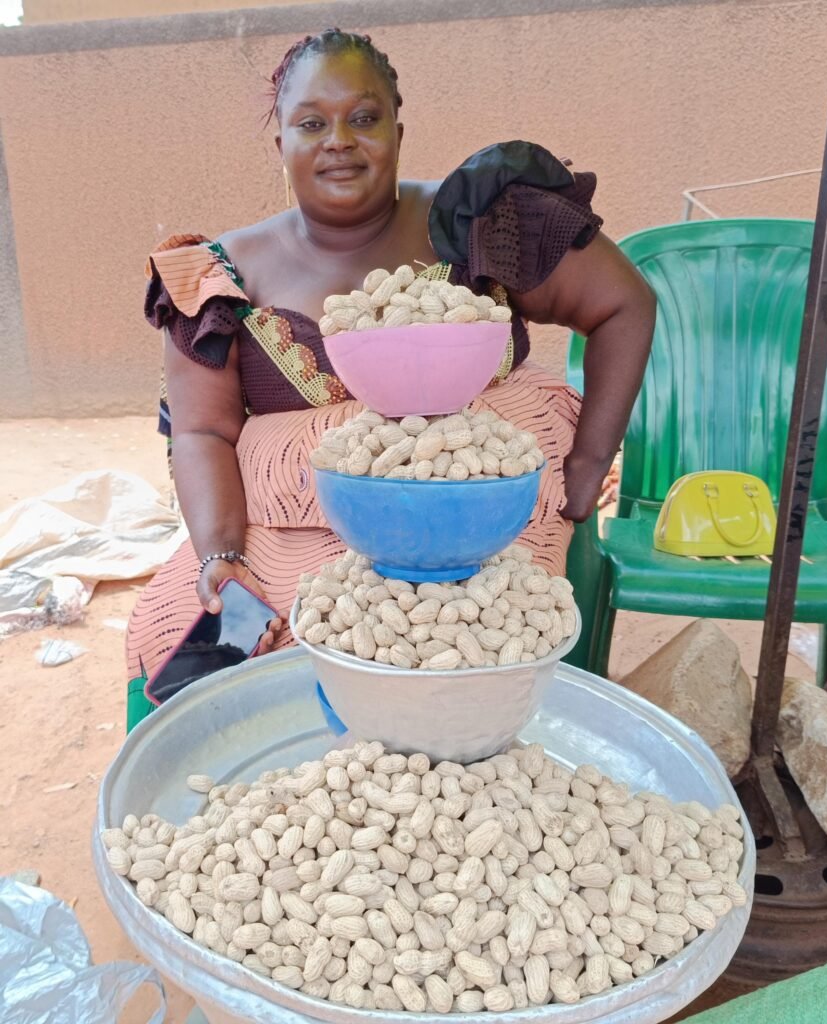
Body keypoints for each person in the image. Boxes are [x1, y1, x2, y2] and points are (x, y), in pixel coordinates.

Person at [127, 28, 656, 729]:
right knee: (203, 664)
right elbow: (201, 430)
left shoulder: (474, 221)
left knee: (457, 677)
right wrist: (220, 552)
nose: (338, 139)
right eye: (311, 122)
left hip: (478, 528)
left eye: (363, 118)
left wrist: (588, 464)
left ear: (398, 130)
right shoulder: (223, 272)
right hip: (288, 529)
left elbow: (623, 304)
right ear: (279, 142)